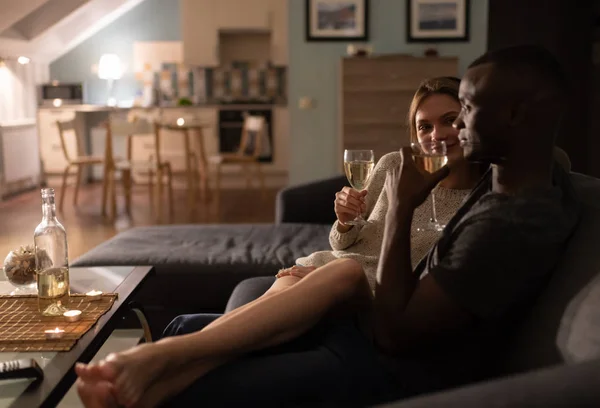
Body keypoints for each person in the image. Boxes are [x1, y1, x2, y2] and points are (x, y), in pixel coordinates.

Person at [75, 45, 580, 408]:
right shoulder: (518, 178)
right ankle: (165, 357)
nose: (453, 128)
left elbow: (395, 335)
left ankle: (162, 360)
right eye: (432, 122)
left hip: (391, 367)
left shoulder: (510, 221)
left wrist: (403, 204)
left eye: (466, 110)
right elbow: (549, 150)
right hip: (355, 329)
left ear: (515, 115)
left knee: (335, 281)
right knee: (322, 280)